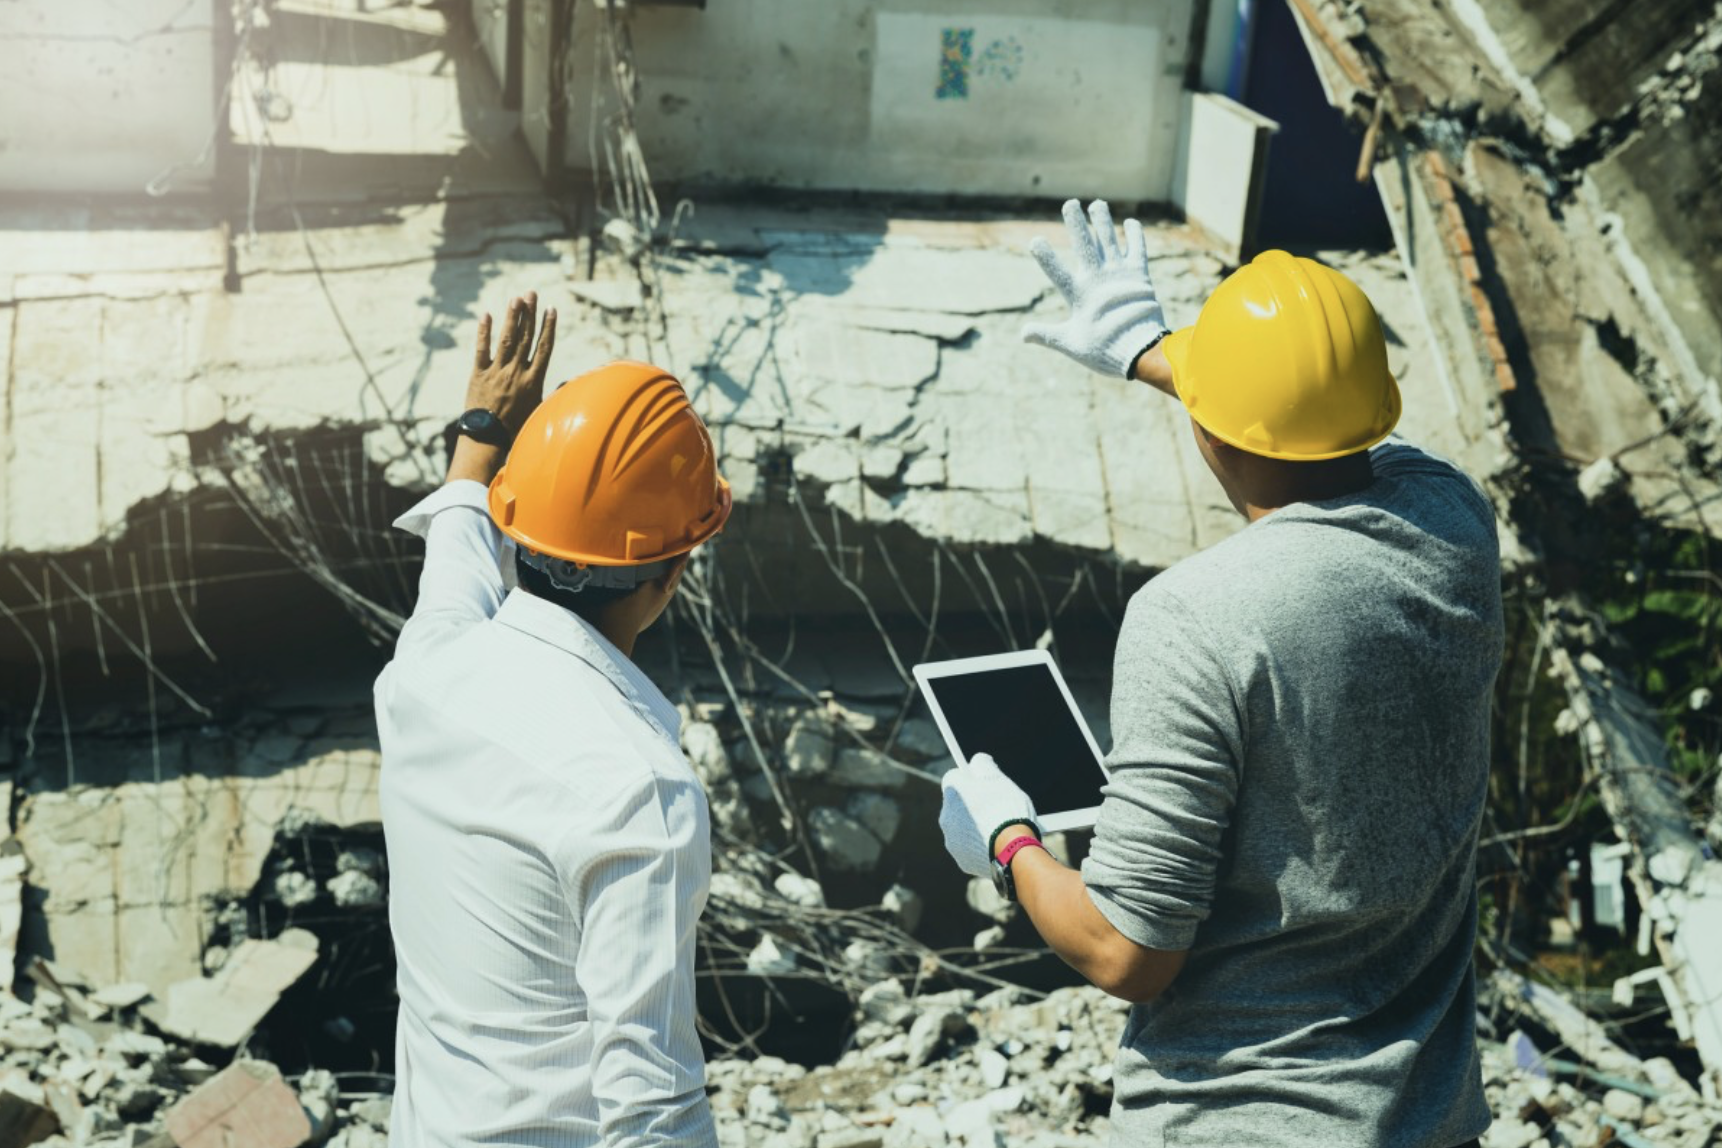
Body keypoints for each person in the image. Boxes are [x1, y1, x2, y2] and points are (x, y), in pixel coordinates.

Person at [938, 201, 1502, 1148]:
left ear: (1210, 433)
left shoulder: (1198, 615)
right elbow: (1355, 444)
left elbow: (1126, 952)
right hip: (1432, 1122)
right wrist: (1167, 355)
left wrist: (1007, 840)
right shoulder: (1453, 527)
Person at [374, 292, 730, 1147]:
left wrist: (482, 434)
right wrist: (486, 446)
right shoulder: (640, 791)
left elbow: (457, 542)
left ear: (517, 526)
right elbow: (652, 1112)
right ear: (669, 574)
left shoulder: (426, 671)